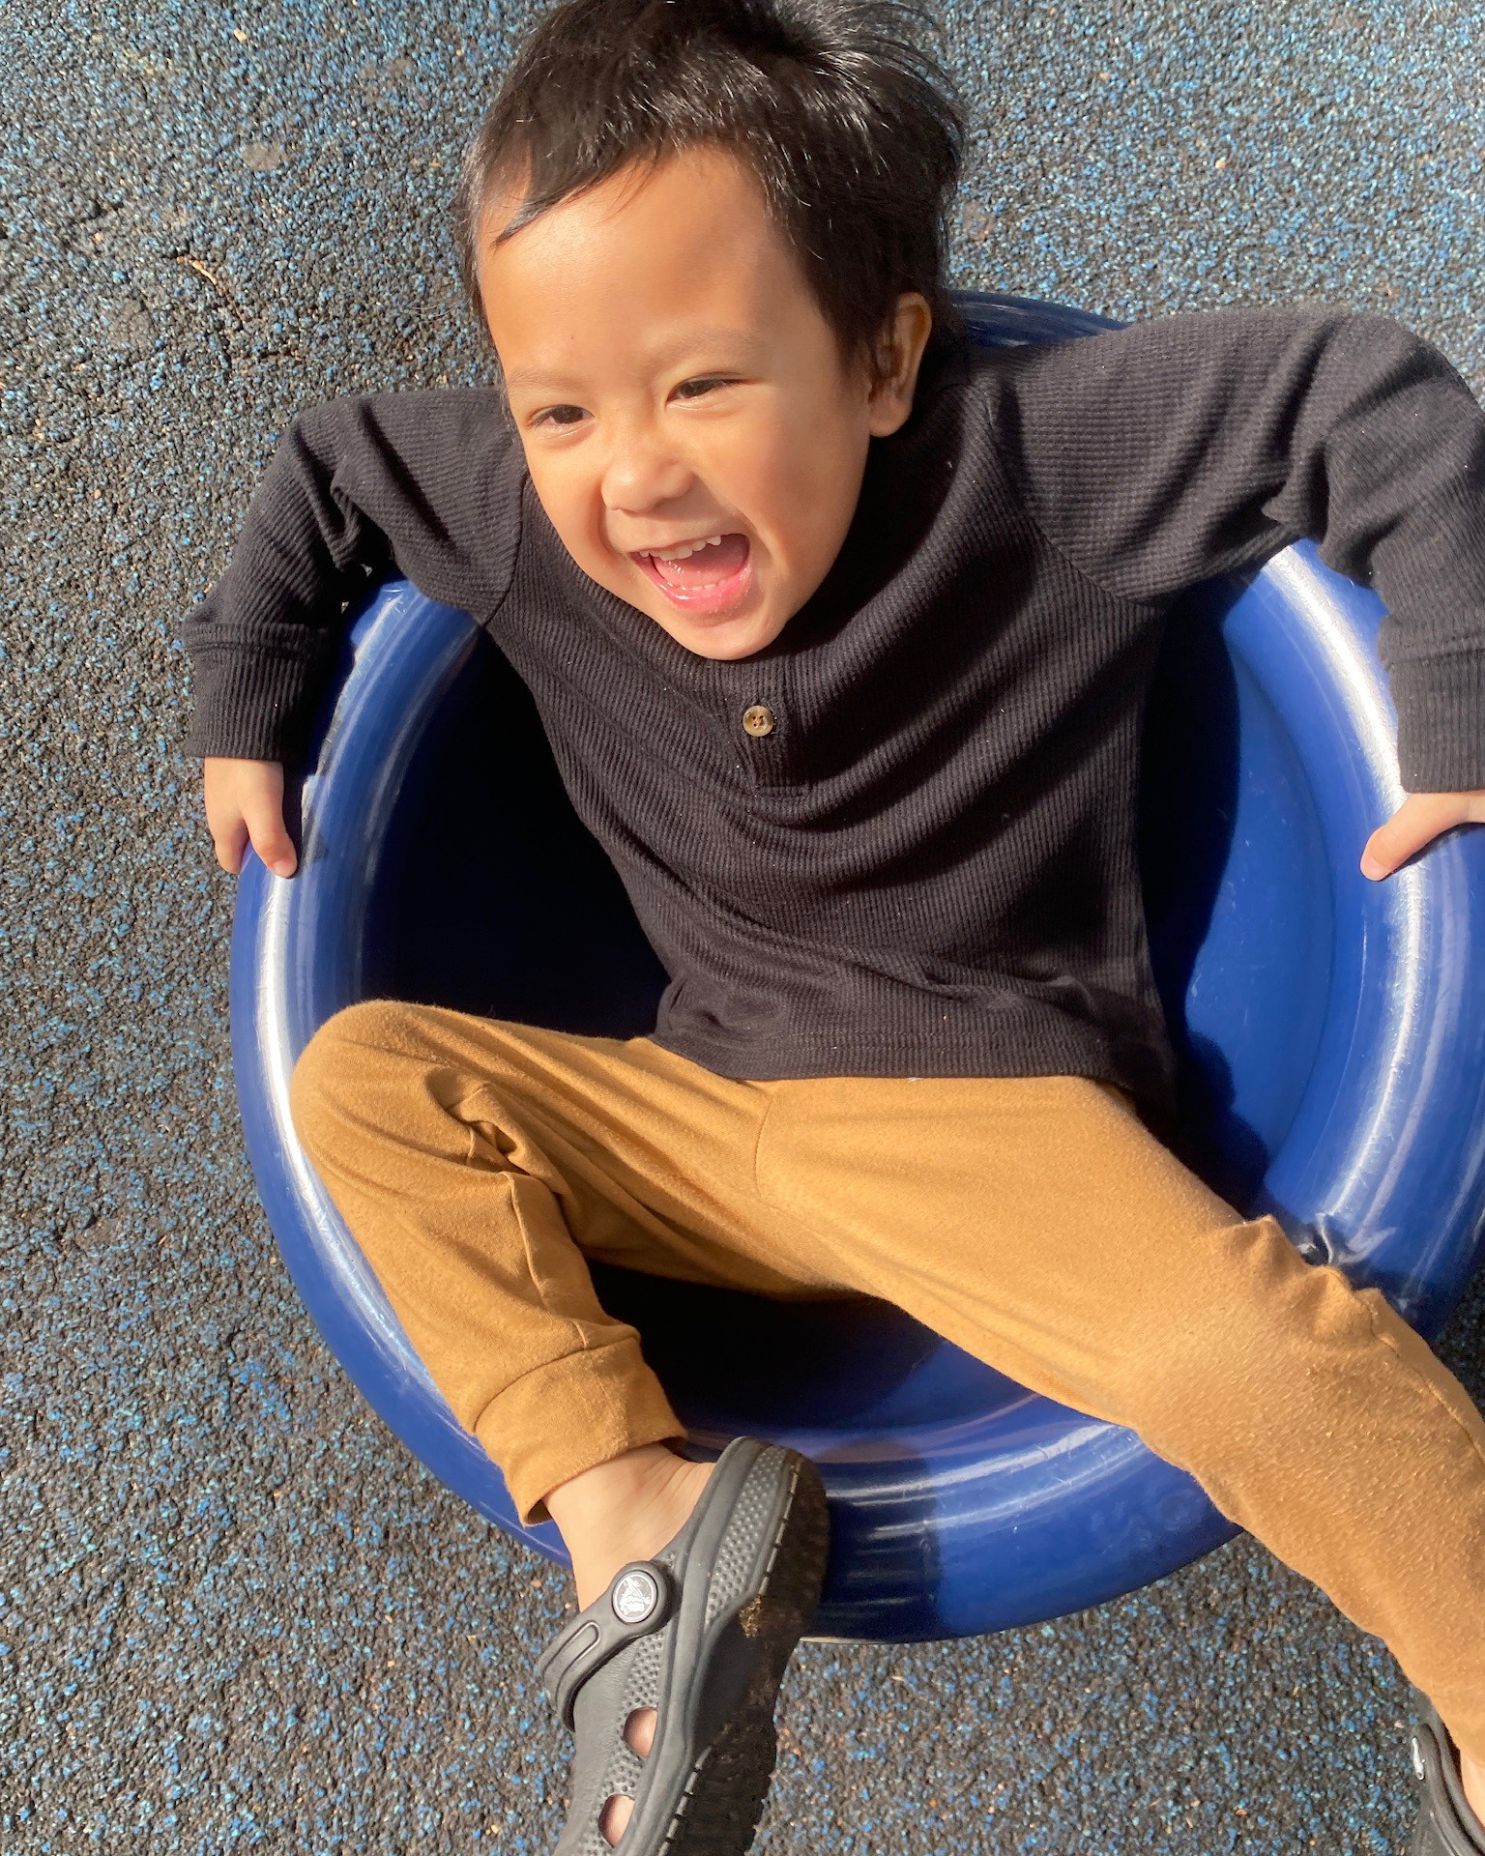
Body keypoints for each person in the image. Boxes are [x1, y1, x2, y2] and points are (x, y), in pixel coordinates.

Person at [179, 2, 1485, 1852]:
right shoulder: (527, 508)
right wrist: (251, 692)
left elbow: (1368, 396)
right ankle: (639, 1529)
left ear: (881, 361)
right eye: (562, 407)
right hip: (698, 1113)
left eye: (702, 386)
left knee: (1239, 1357)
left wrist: (1456, 698)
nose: (628, 470)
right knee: (370, 1078)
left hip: (977, 1116)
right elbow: (328, 472)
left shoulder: (1032, 464)